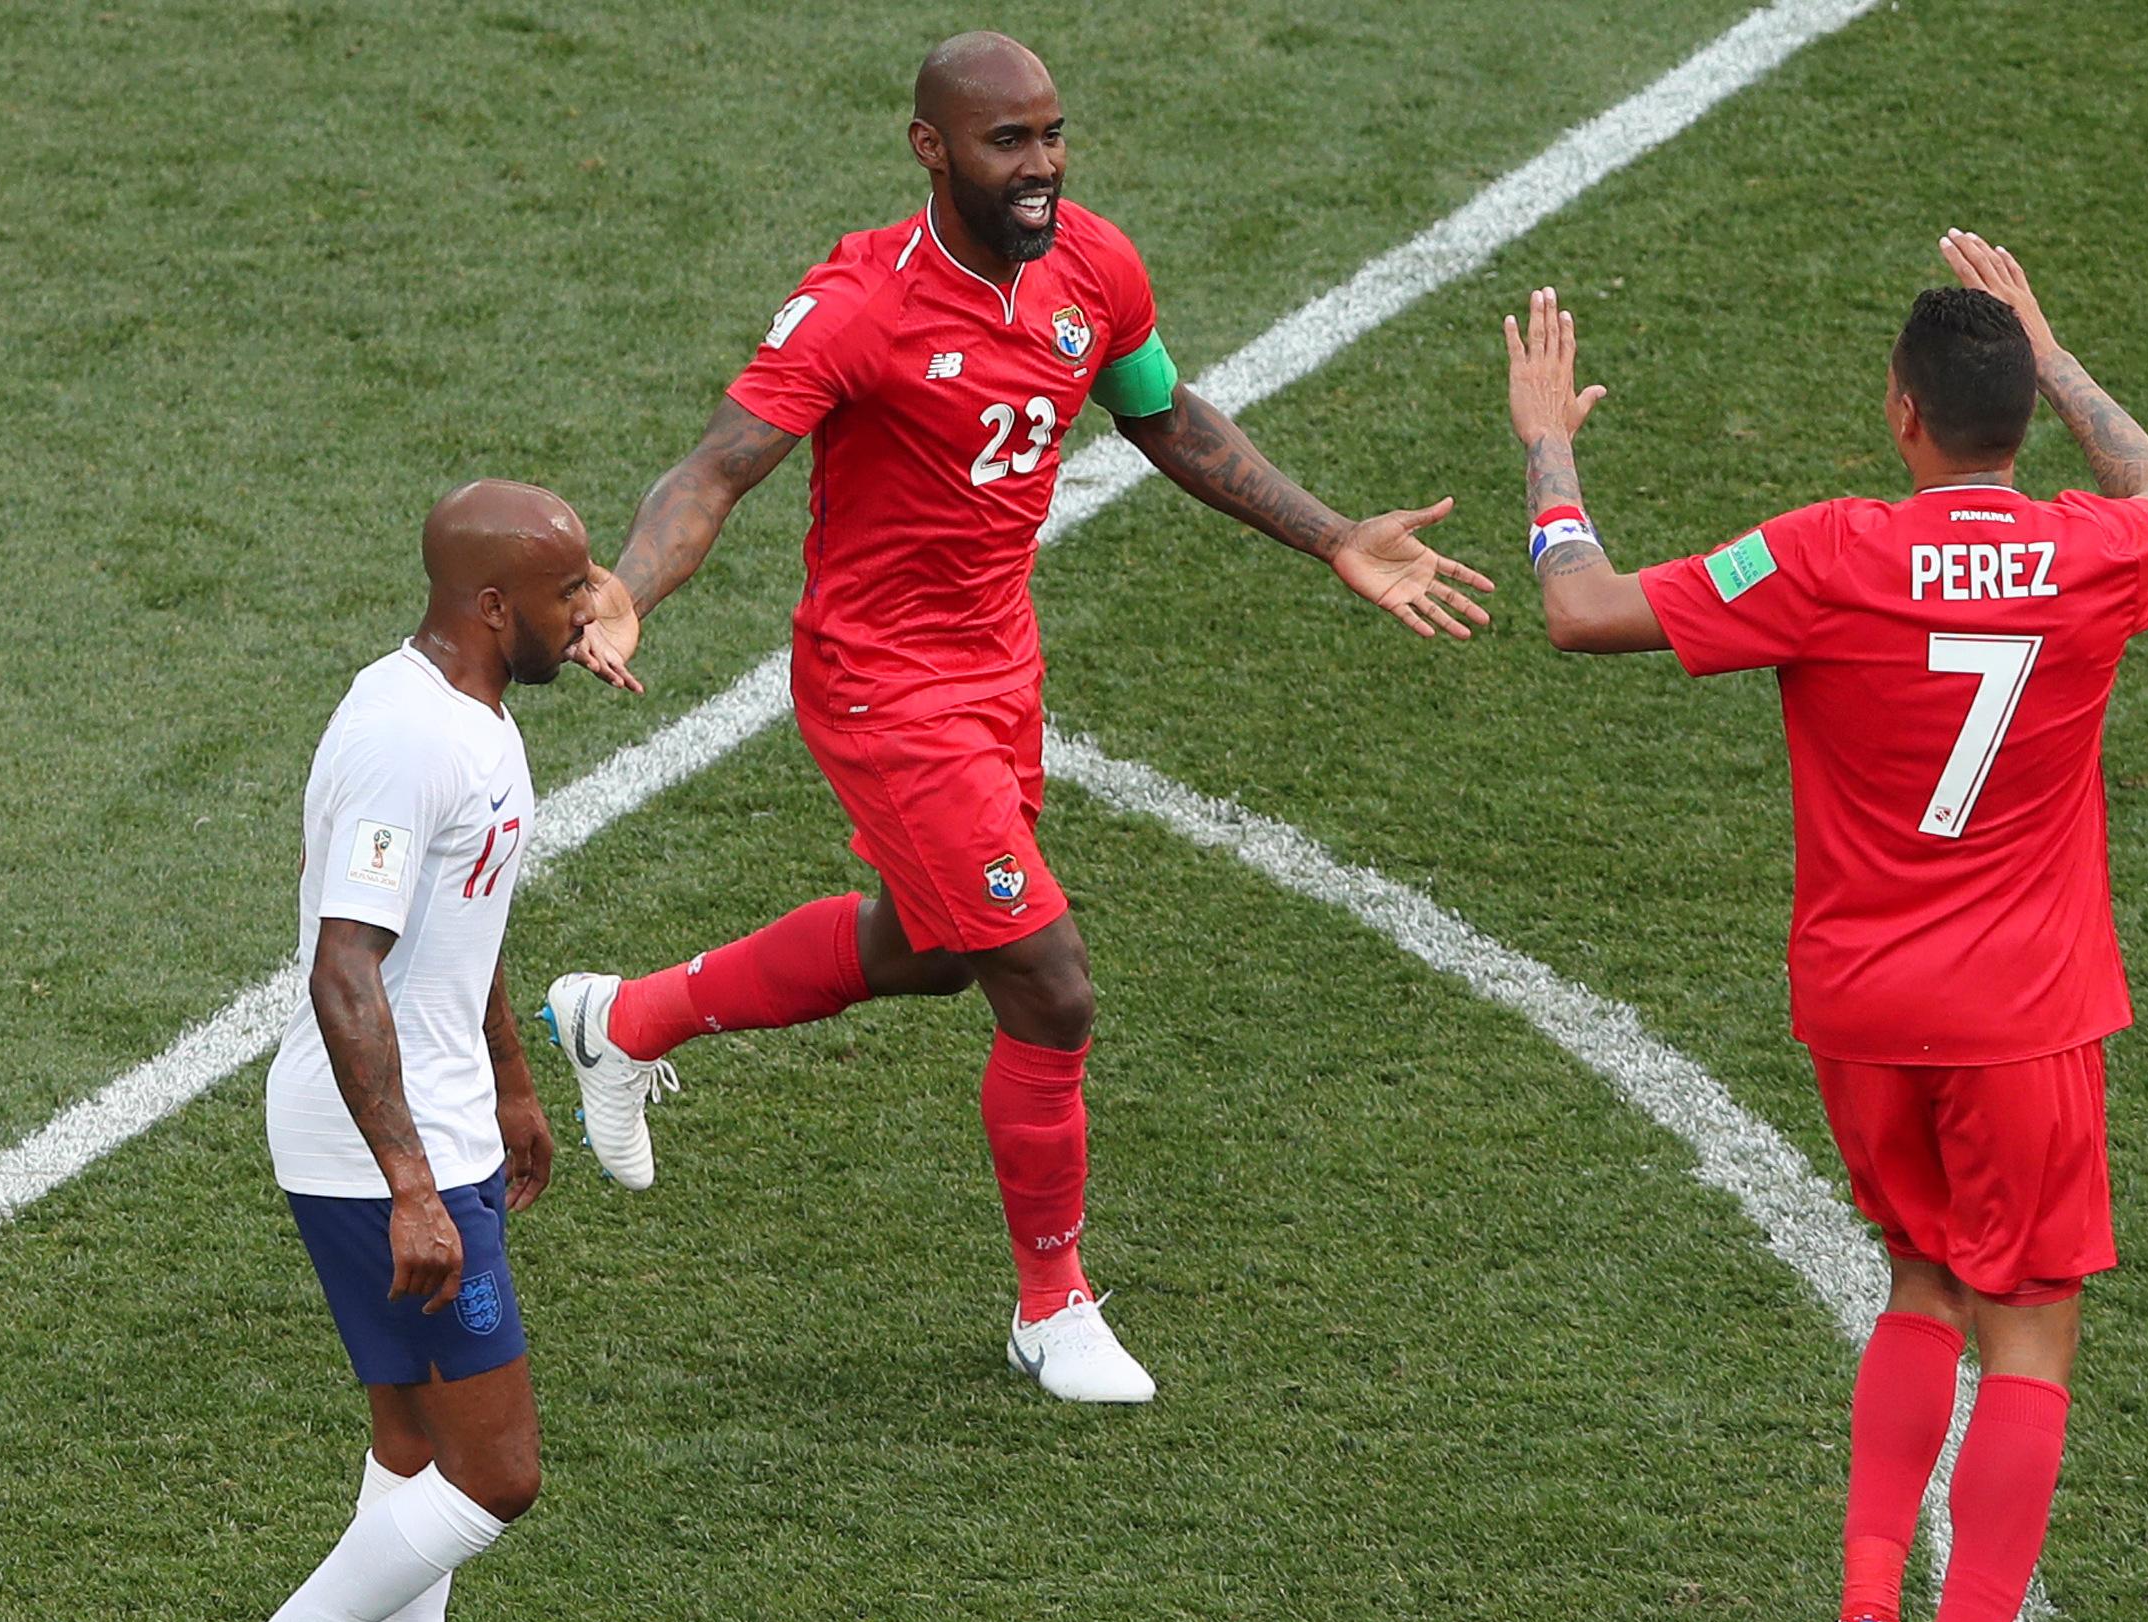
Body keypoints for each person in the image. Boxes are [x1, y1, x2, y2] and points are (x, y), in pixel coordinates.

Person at [540, 31, 1493, 1404]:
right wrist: (627, 590)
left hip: (1000, 670)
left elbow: (1165, 417)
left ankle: (624, 1020)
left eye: (1052, 134)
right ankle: (1051, 1306)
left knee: (935, 950)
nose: (1042, 164)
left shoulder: (1092, 265)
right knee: (1048, 980)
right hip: (883, 684)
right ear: (931, 148)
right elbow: (717, 468)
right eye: (1009, 141)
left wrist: (1332, 532)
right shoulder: (859, 305)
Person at [1501, 232, 2148, 1622]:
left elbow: (1583, 610)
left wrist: (1550, 448)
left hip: (1862, 1010)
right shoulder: (2097, 556)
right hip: (2024, 1016)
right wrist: (2059, 352)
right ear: (2017, 409)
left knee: (1918, 1284)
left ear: (1900, 414)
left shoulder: (1820, 553)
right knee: (2028, 1332)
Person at [162, 481, 604, 1622]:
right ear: (489, 606)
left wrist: (517, 1079)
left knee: (415, 1457)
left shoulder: (473, 712)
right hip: (382, 1153)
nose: (584, 609)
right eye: (563, 592)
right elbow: (345, 965)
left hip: (444, 1125)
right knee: (498, 1474)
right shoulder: (406, 738)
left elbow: (449, 931)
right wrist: (413, 1182)